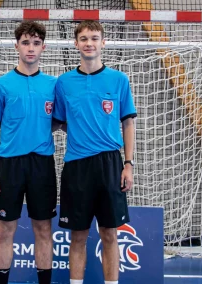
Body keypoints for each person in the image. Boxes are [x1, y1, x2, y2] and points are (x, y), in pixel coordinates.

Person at [52, 20, 137, 284]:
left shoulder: (119, 80)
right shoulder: (63, 83)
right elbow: (59, 122)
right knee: (77, 236)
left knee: (109, 233)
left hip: (110, 164)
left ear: (103, 43)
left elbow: (128, 123)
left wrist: (128, 163)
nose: (90, 43)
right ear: (75, 43)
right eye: (85, 38)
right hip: (77, 166)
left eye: (95, 38)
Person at [0, 21, 57, 284]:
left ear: (43, 48)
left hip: (42, 164)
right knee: (5, 229)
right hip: (9, 165)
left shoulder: (53, 85)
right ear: (16, 46)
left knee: (44, 228)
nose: (31, 48)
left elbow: (59, 121)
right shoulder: (1, 85)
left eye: (36, 43)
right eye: (25, 42)